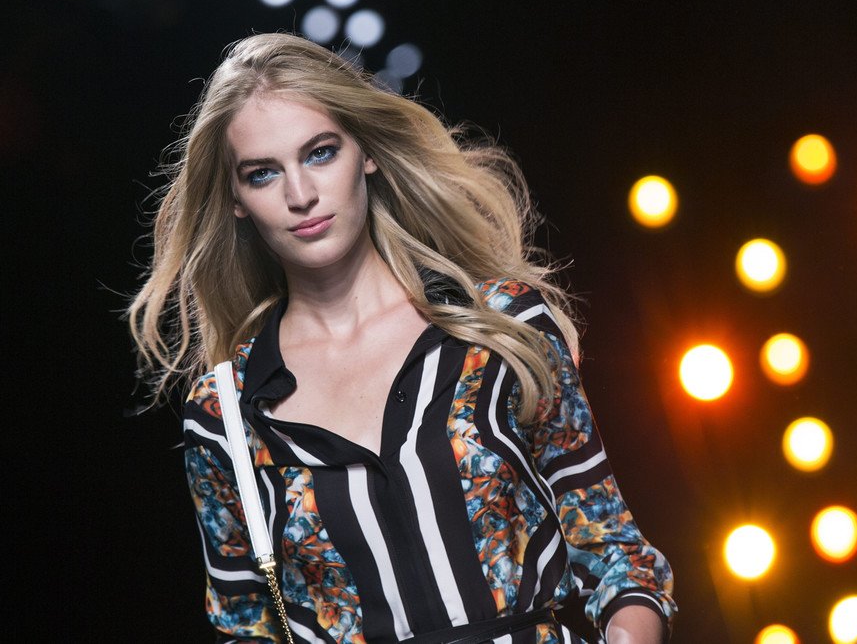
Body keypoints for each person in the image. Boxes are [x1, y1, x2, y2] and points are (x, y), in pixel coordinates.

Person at [129, 32, 676, 643]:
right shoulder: (226, 413)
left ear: (365, 151)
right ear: (236, 198)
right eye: (263, 174)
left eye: (320, 153)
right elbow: (246, 628)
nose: (300, 195)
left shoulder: (500, 327)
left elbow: (615, 553)